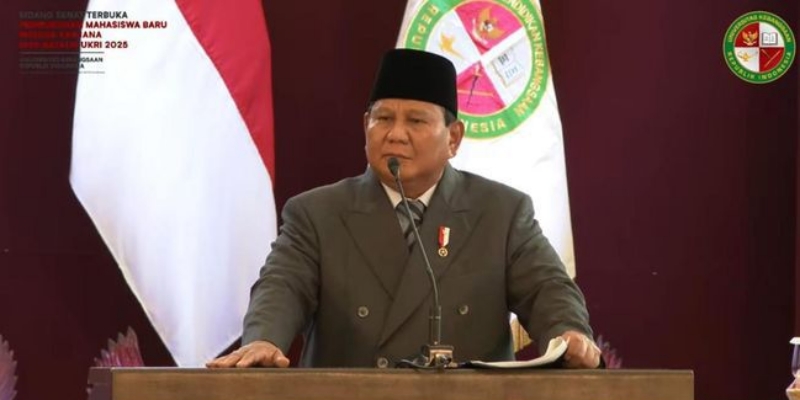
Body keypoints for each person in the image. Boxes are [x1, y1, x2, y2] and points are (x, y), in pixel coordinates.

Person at [207, 49, 601, 369]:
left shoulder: (501, 212)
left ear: (454, 138)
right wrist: (265, 339)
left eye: (416, 121)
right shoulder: (316, 213)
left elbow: (547, 288)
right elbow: (282, 286)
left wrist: (567, 333)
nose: (396, 134)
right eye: (383, 118)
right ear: (366, 126)